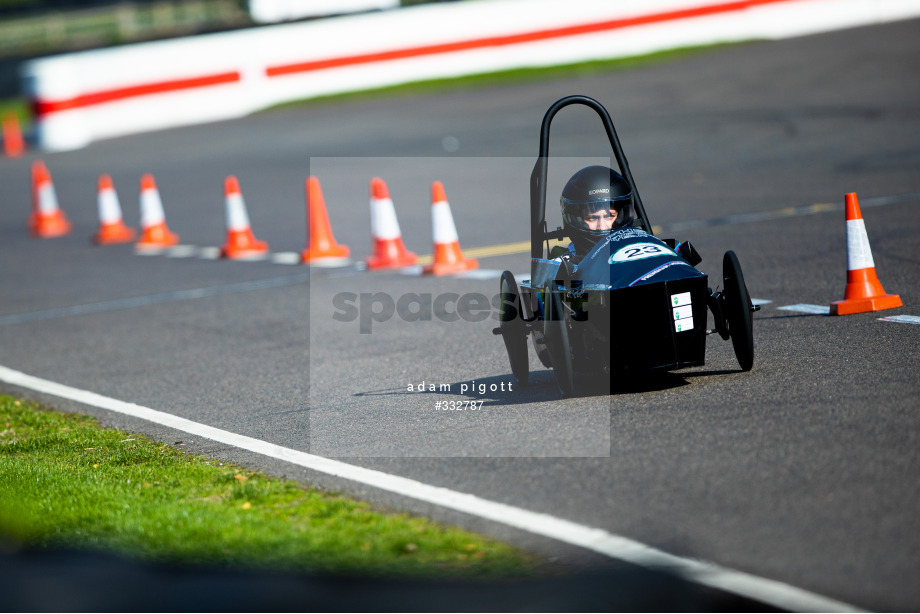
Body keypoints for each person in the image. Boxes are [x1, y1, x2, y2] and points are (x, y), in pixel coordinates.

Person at [558, 165, 635, 259]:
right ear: (577, 220)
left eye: (609, 216)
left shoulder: (641, 250)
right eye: (592, 218)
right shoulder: (562, 266)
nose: (602, 226)